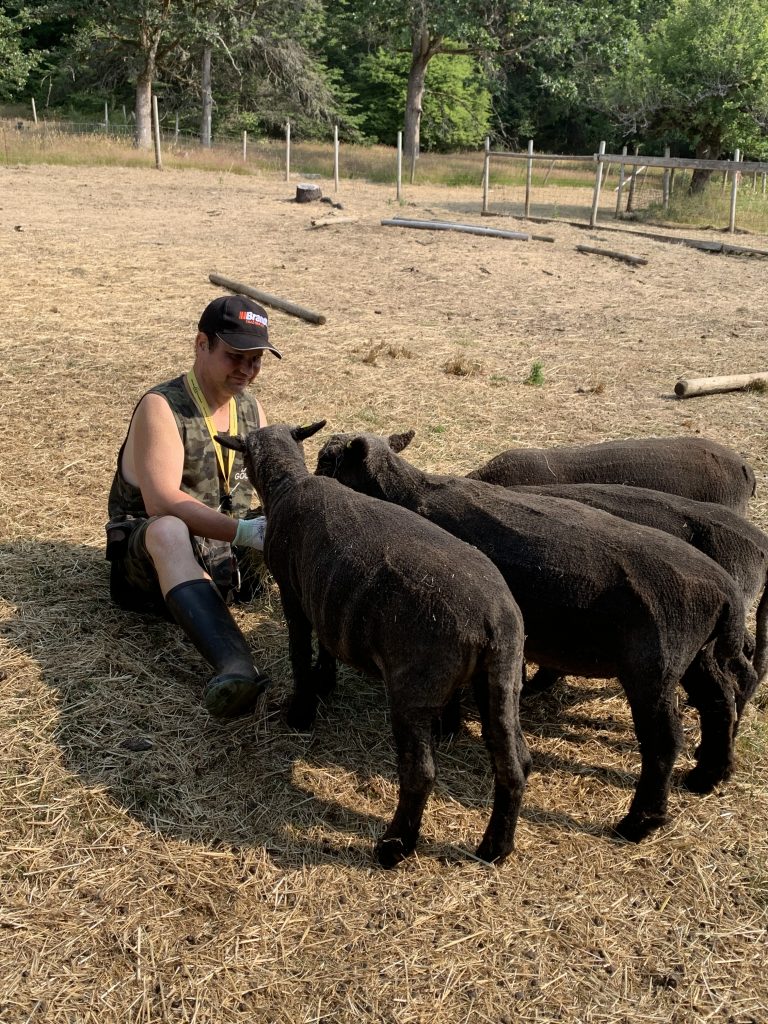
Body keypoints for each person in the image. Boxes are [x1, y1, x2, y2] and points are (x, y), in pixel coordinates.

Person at [105, 294, 281, 718]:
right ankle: (235, 666)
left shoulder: (251, 408)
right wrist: (242, 533)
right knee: (168, 527)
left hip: (224, 557)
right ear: (201, 344)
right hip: (154, 563)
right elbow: (161, 499)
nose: (246, 370)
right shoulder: (162, 406)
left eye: (256, 360)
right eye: (235, 356)